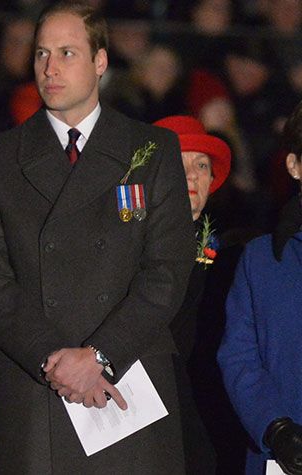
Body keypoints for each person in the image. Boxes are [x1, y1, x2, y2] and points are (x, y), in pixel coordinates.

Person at [0, 2, 195, 473]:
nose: (50, 68)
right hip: (38, 386)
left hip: (129, 380)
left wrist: (101, 355)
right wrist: (55, 359)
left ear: (101, 62)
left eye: (67, 53)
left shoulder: (151, 150)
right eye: (41, 54)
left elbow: (167, 269)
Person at [218, 100, 302, 475]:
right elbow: (239, 357)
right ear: (294, 166)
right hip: (280, 455)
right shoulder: (261, 259)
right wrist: (276, 427)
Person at [154, 115, 232, 474]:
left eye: (201, 165)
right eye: (179, 163)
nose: (191, 175)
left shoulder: (224, 248)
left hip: (209, 404)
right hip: (153, 403)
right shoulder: (132, 248)